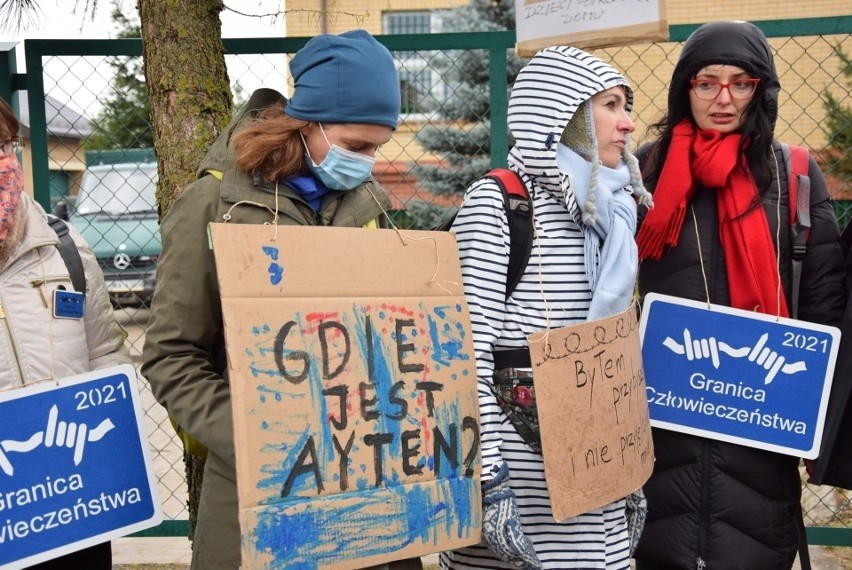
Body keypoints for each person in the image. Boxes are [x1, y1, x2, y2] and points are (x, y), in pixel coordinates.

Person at [141, 30, 423, 570]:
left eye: (378, 147)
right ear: (307, 123)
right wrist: (253, 442)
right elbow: (171, 355)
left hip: (367, 493)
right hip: (259, 493)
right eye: (358, 146)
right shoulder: (214, 203)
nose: (368, 162)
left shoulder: (371, 206)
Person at [632, 20, 847, 570]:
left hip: (763, 419)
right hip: (664, 421)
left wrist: (812, 422)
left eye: (740, 82)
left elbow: (823, 302)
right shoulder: (643, 172)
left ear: (762, 89)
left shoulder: (792, 175)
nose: (723, 98)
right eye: (707, 82)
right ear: (686, 88)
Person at [440, 46, 652, 569]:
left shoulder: (611, 213)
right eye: (611, 105)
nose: (628, 123)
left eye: (627, 105)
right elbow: (463, 355)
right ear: (566, 114)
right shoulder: (499, 205)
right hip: (525, 498)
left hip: (594, 484)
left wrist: (624, 471)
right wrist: (489, 482)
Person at [0, 96, 131, 568]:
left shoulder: (65, 247)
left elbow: (105, 356)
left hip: (74, 506)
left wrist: (110, 461)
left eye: (0, 144)